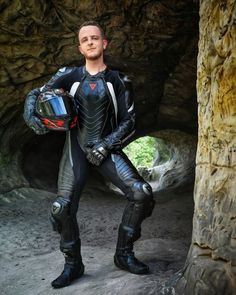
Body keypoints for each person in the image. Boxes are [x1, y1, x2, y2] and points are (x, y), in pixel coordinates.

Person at [23, 20, 155, 289]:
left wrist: (105, 146)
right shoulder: (68, 75)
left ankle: (124, 254)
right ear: (80, 47)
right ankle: (73, 265)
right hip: (75, 150)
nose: (91, 42)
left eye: (95, 38)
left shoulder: (119, 80)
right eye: (85, 40)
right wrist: (29, 109)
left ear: (104, 43)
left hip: (106, 149)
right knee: (62, 208)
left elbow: (129, 121)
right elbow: (39, 94)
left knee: (141, 192)